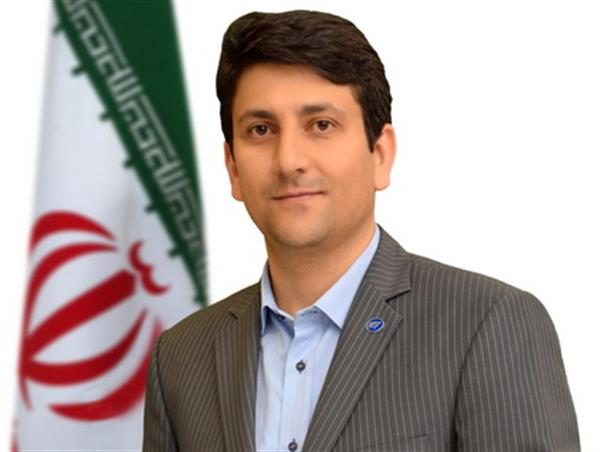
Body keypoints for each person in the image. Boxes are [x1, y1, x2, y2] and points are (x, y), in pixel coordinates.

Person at [143, 10, 579, 452]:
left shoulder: (487, 324)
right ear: (233, 168)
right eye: (261, 129)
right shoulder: (180, 357)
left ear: (380, 154)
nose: (289, 160)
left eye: (321, 125)